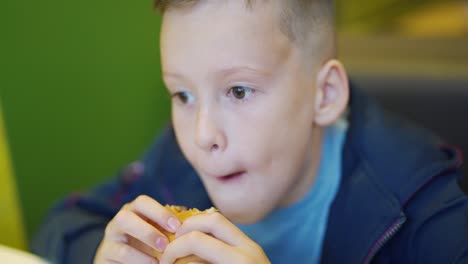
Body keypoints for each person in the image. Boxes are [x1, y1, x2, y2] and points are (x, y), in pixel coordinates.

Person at [32, 1, 468, 263]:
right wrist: (102, 252)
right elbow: (63, 222)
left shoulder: (420, 206)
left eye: (238, 91)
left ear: (325, 95)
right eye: (182, 95)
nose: (203, 136)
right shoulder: (177, 159)